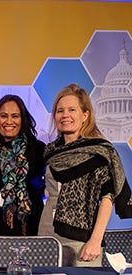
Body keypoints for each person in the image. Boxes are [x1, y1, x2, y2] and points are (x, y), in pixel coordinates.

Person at [38, 83, 132, 266]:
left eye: (72, 110)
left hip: (82, 239)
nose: (65, 115)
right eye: (60, 110)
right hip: (47, 231)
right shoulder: (50, 152)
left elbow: (107, 197)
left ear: (85, 115)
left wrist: (95, 240)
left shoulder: (98, 151)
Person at [0, 95, 45, 237]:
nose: (9, 121)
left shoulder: (38, 150)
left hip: (31, 226)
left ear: (23, 120)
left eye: (15, 116)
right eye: (4, 116)